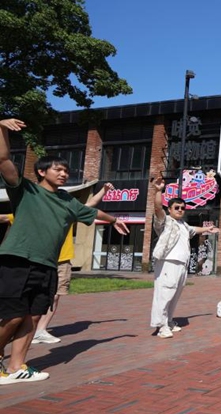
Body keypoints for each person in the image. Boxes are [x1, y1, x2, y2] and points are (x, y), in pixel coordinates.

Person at [0, 118, 129, 384]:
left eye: (65, 171)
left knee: (33, 316)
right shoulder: (25, 191)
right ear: (41, 172)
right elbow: (3, 161)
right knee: (12, 316)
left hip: (47, 265)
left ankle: (15, 367)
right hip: (19, 260)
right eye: (57, 170)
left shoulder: (68, 202)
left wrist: (115, 220)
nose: (63, 174)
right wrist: (0, 128)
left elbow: (93, 212)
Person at [29, 182, 116, 344]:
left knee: (55, 296)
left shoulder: (69, 211)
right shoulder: (40, 212)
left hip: (63, 259)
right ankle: (26, 329)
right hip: (41, 258)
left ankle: (40, 330)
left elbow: (90, 205)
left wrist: (103, 191)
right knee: (33, 294)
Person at [150, 177, 219, 339]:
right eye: (177, 207)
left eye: (182, 208)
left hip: (182, 264)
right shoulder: (165, 221)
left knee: (175, 294)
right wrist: (158, 190)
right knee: (165, 293)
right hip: (168, 263)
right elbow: (157, 208)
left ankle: (169, 320)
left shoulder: (183, 225)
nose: (180, 210)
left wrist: (209, 229)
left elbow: (194, 229)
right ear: (170, 209)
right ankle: (161, 326)